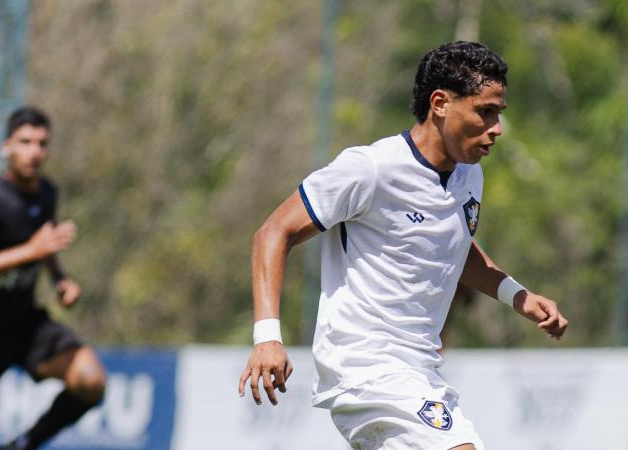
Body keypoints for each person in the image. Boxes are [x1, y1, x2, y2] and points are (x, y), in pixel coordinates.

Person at [238, 41, 568, 450]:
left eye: (498, 113)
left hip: (420, 369)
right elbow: (273, 232)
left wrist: (516, 294)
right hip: (368, 367)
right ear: (440, 103)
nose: (497, 128)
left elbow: (451, 245)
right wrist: (267, 337)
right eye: (485, 112)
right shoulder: (370, 169)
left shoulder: (469, 176)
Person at [0, 107, 106, 450]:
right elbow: (36, 246)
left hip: (25, 322)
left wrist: (60, 279)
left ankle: (23, 445)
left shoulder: (46, 194)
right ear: (6, 147)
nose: (34, 151)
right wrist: (30, 251)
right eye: (25, 142)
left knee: (90, 379)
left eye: (42, 143)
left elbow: (44, 247)